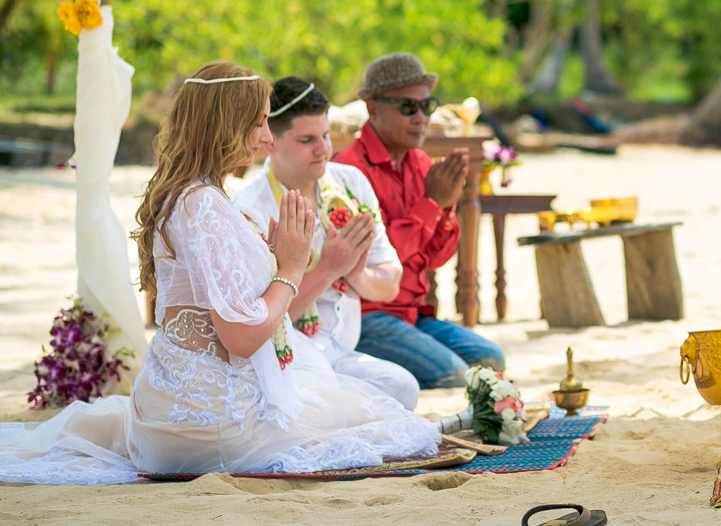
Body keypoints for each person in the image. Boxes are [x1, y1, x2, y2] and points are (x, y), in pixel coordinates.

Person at [0, 62, 438, 484]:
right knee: (388, 425)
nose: (267, 138)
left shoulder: (194, 195)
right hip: (213, 422)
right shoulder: (203, 203)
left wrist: (268, 259)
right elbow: (242, 337)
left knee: (364, 406)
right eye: (261, 123)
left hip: (178, 409)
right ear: (227, 123)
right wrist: (289, 268)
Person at [234, 77, 420, 410]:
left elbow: (390, 285)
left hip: (342, 354)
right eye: (307, 140)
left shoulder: (350, 183)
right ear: (269, 142)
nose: (323, 149)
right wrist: (327, 270)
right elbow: (256, 327)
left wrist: (354, 274)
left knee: (404, 387)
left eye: (325, 135)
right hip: (285, 359)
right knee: (317, 395)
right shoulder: (249, 208)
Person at [333, 53, 505, 388]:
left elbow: (435, 258)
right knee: (455, 375)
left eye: (427, 106)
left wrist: (445, 209)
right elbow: (378, 258)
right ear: (373, 108)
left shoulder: (420, 162)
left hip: (412, 313)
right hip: (367, 315)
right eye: (409, 108)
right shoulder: (350, 170)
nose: (422, 118)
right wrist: (431, 204)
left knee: (491, 359)